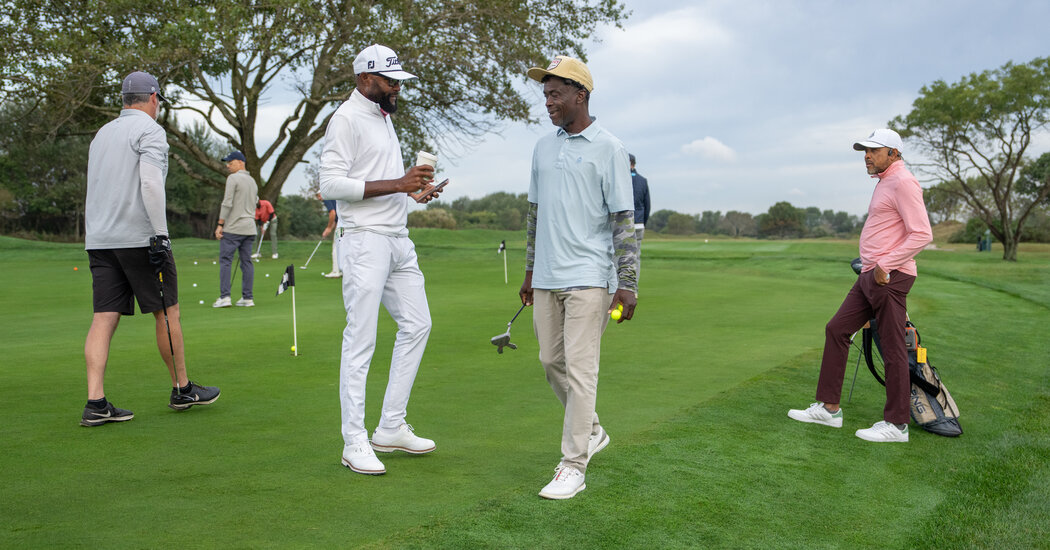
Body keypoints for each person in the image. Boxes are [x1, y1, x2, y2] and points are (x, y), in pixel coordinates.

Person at [319, 43, 443, 475]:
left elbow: (380, 180)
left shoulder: (383, 118)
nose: (396, 88)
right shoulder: (346, 119)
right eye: (390, 81)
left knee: (418, 324)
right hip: (365, 240)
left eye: (398, 82)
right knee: (361, 338)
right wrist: (398, 182)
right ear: (365, 79)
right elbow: (330, 183)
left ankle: (390, 426)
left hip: (397, 238)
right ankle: (354, 440)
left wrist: (414, 191)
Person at [519, 56, 638, 499]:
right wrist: (530, 270)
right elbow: (535, 215)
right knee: (551, 362)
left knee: (582, 371)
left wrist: (628, 282)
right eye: (545, 94)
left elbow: (623, 221)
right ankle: (592, 429)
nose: (547, 102)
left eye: (555, 94)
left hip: (590, 275)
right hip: (547, 276)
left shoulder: (610, 148)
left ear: (580, 95)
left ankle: (573, 465)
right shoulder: (542, 147)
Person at [81, 71, 220, 427]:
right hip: (140, 238)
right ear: (154, 98)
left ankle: (95, 401)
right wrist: (161, 235)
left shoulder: (102, 134)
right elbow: (150, 183)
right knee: (166, 311)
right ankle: (182, 388)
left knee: (104, 316)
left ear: (124, 100)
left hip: (100, 240)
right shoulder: (150, 130)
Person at [788, 129, 932, 443]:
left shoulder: (903, 182)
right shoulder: (885, 182)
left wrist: (886, 264)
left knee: (893, 348)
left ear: (893, 153)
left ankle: (896, 426)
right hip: (871, 275)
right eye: (865, 151)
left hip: (889, 277)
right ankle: (829, 409)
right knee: (837, 329)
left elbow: (922, 233)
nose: (867, 156)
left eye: (874, 150)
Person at [213, 151, 258, 308]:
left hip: (233, 228)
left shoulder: (233, 178)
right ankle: (248, 298)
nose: (228, 165)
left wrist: (220, 224)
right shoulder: (252, 181)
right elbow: (256, 202)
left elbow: (227, 202)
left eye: (230, 163)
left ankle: (225, 297)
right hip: (250, 228)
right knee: (247, 262)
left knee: (226, 261)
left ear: (240, 162)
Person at [629, 153, 651, 287]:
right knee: (636, 257)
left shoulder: (622, 179)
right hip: (639, 224)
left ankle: (619, 288)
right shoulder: (643, 180)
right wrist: (643, 222)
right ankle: (633, 288)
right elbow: (647, 205)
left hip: (623, 225)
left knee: (619, 257)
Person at [318, 192, 341, 278]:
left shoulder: (327, 198)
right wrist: (331, 228)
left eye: (319, 196)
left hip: (341, 226)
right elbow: (336, 218)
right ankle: (341, 270)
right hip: (343, 225)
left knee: (336, 246)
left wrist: (328, 228)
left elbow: (332, 213)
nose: (319, 199)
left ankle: (336, 271)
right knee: (340, 245)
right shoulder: (333, 197)